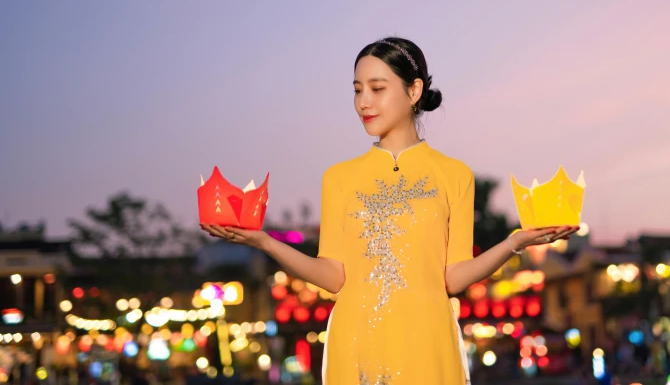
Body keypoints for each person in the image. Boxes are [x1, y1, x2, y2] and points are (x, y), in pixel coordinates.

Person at [202, 37, 577, 385]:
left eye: (377, 89)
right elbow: (333, 275)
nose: (364, 102)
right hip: (357, 341)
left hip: (428, 342)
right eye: (357, 90)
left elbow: (454, 277)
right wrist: (266, 243)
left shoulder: (454, 174)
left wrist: (516, 242)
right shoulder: (338, 177)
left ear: (414, 90)